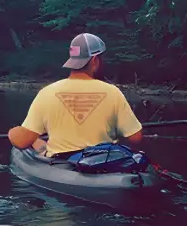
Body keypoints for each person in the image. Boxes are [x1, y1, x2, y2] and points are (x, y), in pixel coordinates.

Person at [8, 33, 143, 157]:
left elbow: (22, 142)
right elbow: (136, 138)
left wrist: (13, 132)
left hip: (60, 165)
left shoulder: (47, 92)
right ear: (95, 61)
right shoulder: (113, 92)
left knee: (36, 142)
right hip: (102, 162)